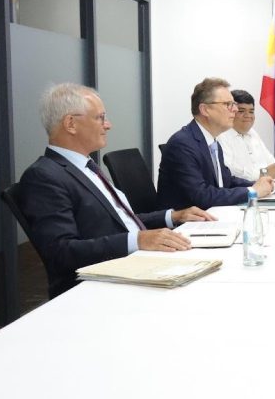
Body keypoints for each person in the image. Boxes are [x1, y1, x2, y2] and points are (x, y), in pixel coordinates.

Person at [18, 83, 213, 298]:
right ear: (71, 123)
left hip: (134, 266)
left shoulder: (86, 167)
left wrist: (173, 216)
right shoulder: (44, 176)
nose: (108, 125)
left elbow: (116, 222)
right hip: (99, 287)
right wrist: (138, 240)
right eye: (100, 118)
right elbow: (60, 251)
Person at [157, 77, 275, 209]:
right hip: (188, 219)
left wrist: (257, 184)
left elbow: (226, 181)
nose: (235, 109)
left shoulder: (212, 141)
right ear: (205, 110)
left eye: (233, 104)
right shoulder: (182, 144)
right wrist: (252, 191)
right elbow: (202, 196)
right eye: (228, 104)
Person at [217, 89, 275, 181]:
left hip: (268, 183)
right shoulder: (221, 136)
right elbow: (228, 171)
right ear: (231, 112)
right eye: (241, 111)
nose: (248, 115)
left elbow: (270, 160)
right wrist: (263, 173)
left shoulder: (252, 132)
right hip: (244, 187)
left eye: (251, 112)